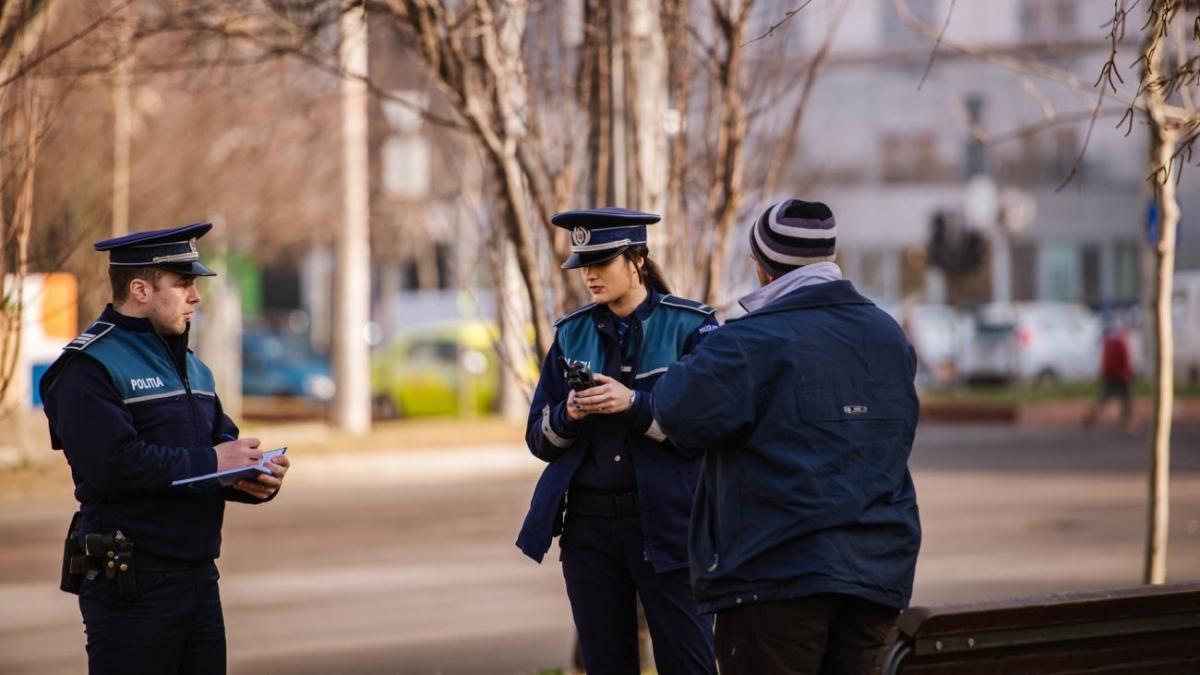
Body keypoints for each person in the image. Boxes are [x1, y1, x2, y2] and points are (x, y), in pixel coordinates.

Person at [652, 199, 921, 674]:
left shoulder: (749, 341)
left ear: (763, 267)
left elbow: (674, 410)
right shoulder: (888, 335)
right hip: (877, 574)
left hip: (772, 576)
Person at [41, 222, 290, 675]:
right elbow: (114, 466)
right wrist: (215, 461)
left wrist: (253, 475)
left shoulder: (194, 368)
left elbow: (217, 450)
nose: (195, 297)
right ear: (140, 290)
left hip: (199, 577)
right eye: (183, 284)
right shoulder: (88, 367)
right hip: (131, 584)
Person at [516, 207, 718, 674]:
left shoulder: (692, 326)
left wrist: (634, 405)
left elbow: (708, 427)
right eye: (583, 264)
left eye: (601, 262)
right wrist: (568, 413)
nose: (589, 275)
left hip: (669, 525)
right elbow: (538, 439)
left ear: (637, 260)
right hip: (588, 531)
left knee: (691, 664)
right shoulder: (571, 333)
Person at [1083, 318, 1135, 431]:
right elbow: (1124, 360)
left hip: (1109, 375)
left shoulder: (1108, 343)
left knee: (1104, 398)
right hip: (1121, 376)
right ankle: (1126, 423)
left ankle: (1092, 415)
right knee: (1126, 400)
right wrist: (1129, 372)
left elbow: (1105, 361)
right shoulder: (1121, 342)